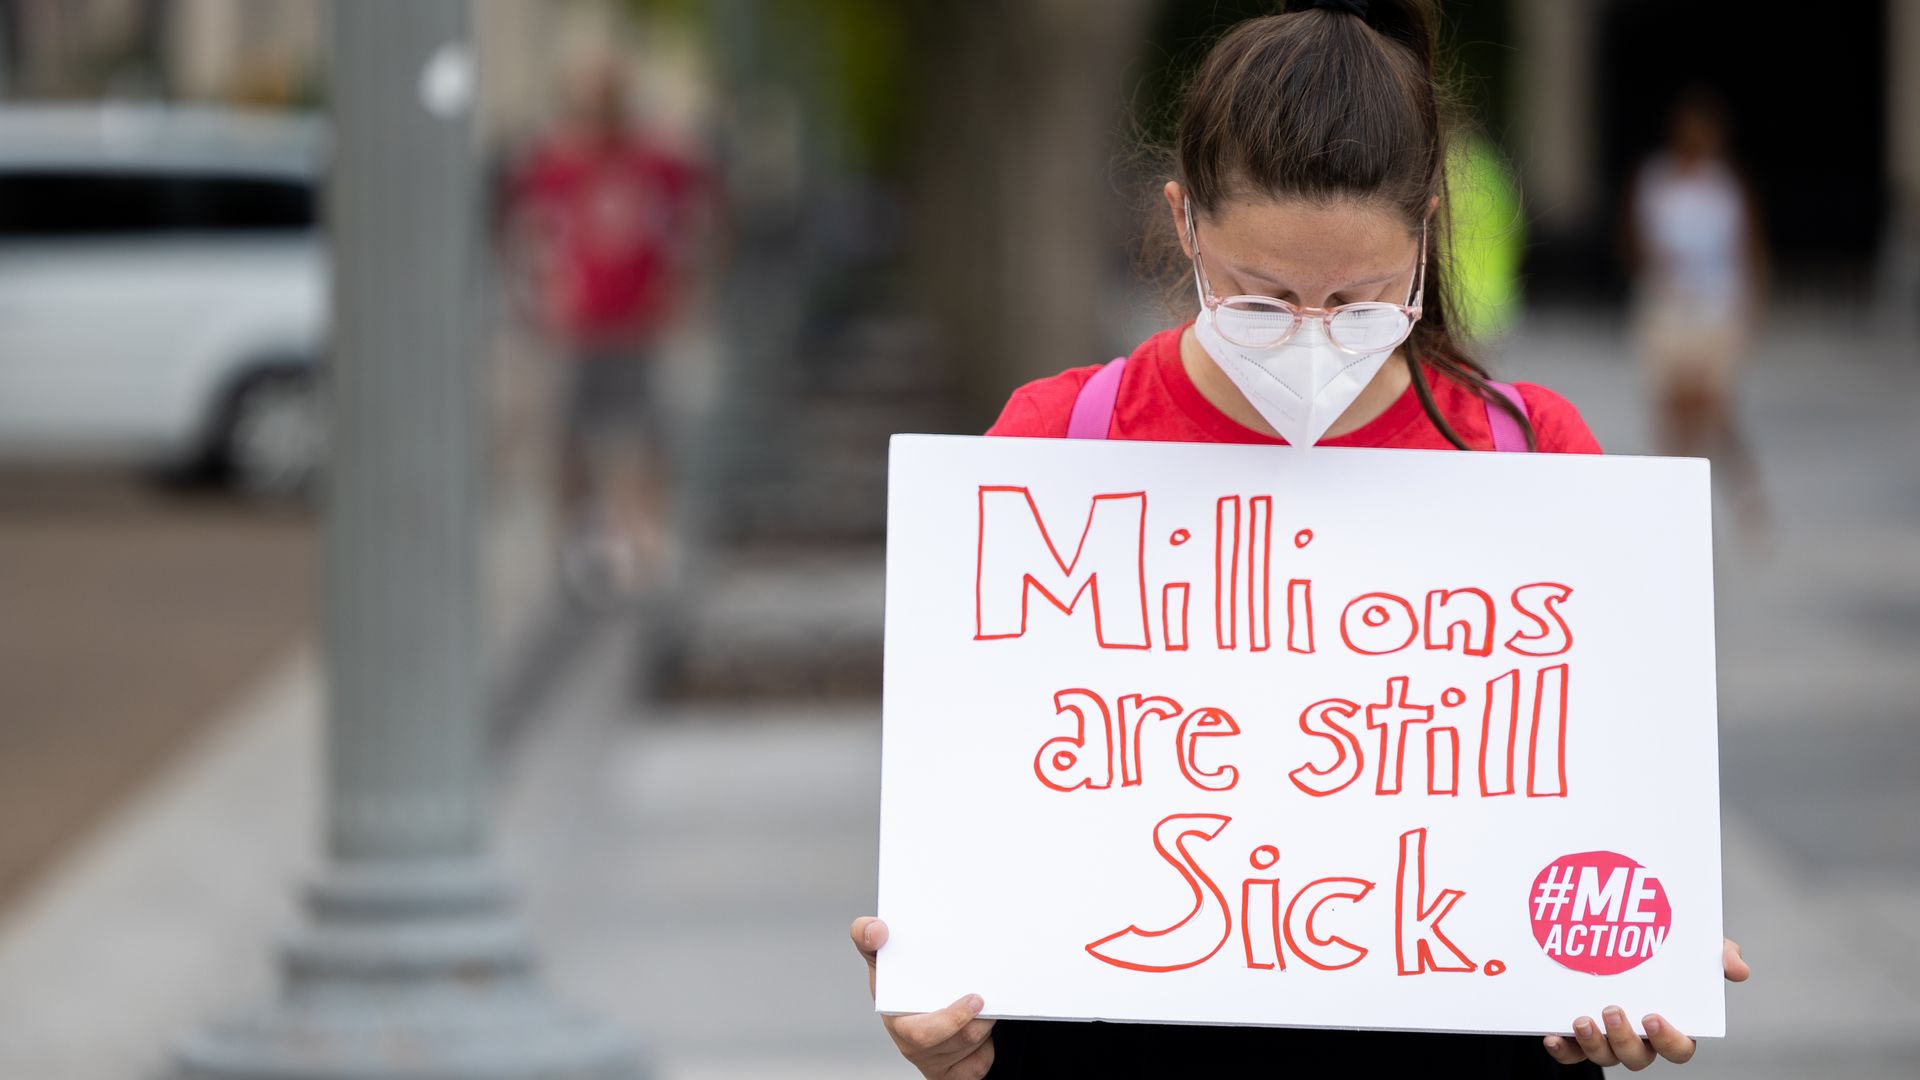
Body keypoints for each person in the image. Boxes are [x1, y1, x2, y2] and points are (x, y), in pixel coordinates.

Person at [850, 1, 1749, 1075]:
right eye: (1265, 297)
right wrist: (940, 1010)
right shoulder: (1057, 446)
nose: (1314, 335)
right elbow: (976, 804)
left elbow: (1605, 784)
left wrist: (1638, 960)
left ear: (1426, 229)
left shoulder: (1533, 458)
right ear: (1184, 225)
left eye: (1362, 299)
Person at [505, 56, 707, 602]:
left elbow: (688, 222)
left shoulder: (655, 162)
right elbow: (533, 233)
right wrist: (540, 296)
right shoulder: (557, 164)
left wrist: (681, 289)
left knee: (644, 435)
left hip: (636, 322)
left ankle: (643, 539)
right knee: (570, 436)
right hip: (581, 326)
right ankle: (573, 543)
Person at [1623, 89, 1768, 538]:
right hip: (1668, 306)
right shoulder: (1655, 180)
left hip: (1714, 308)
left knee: (1712, 405)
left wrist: (1753, 302)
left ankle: (1741, 492)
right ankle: (1673, 501)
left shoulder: (1725, 185)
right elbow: (1631, 237)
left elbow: (1748, 245)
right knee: (1671, 409)